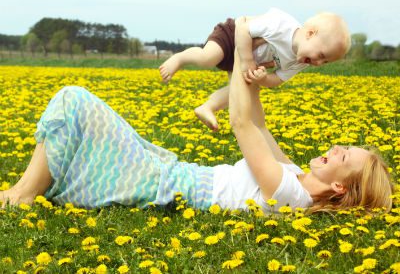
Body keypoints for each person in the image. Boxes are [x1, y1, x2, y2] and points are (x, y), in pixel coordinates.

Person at [0, 52, 393, 213]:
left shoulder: (292, 195)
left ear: (341, 188)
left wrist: (240, 46)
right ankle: (29, 189)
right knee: (82, 129)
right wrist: (252, 75)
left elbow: (240, 125)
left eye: (344, 156)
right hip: (173, 171)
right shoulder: (293, 176)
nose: (337, 147)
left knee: (74, 101)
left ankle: (21, 196)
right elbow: (257, 123)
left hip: (167, 184)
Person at [159, 8, 351, 131]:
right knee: (208, 57)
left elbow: (277, 79)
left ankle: (208, 107)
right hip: (231, 36)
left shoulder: (299, 62)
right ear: (310, 34)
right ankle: (181, 57)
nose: (318, 63)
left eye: (325, 62)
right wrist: (247, 59)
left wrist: (262, 79)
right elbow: (244, 29)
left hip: (247, 62)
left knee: (244, 89)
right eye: (321, 55)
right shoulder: (281, 25)